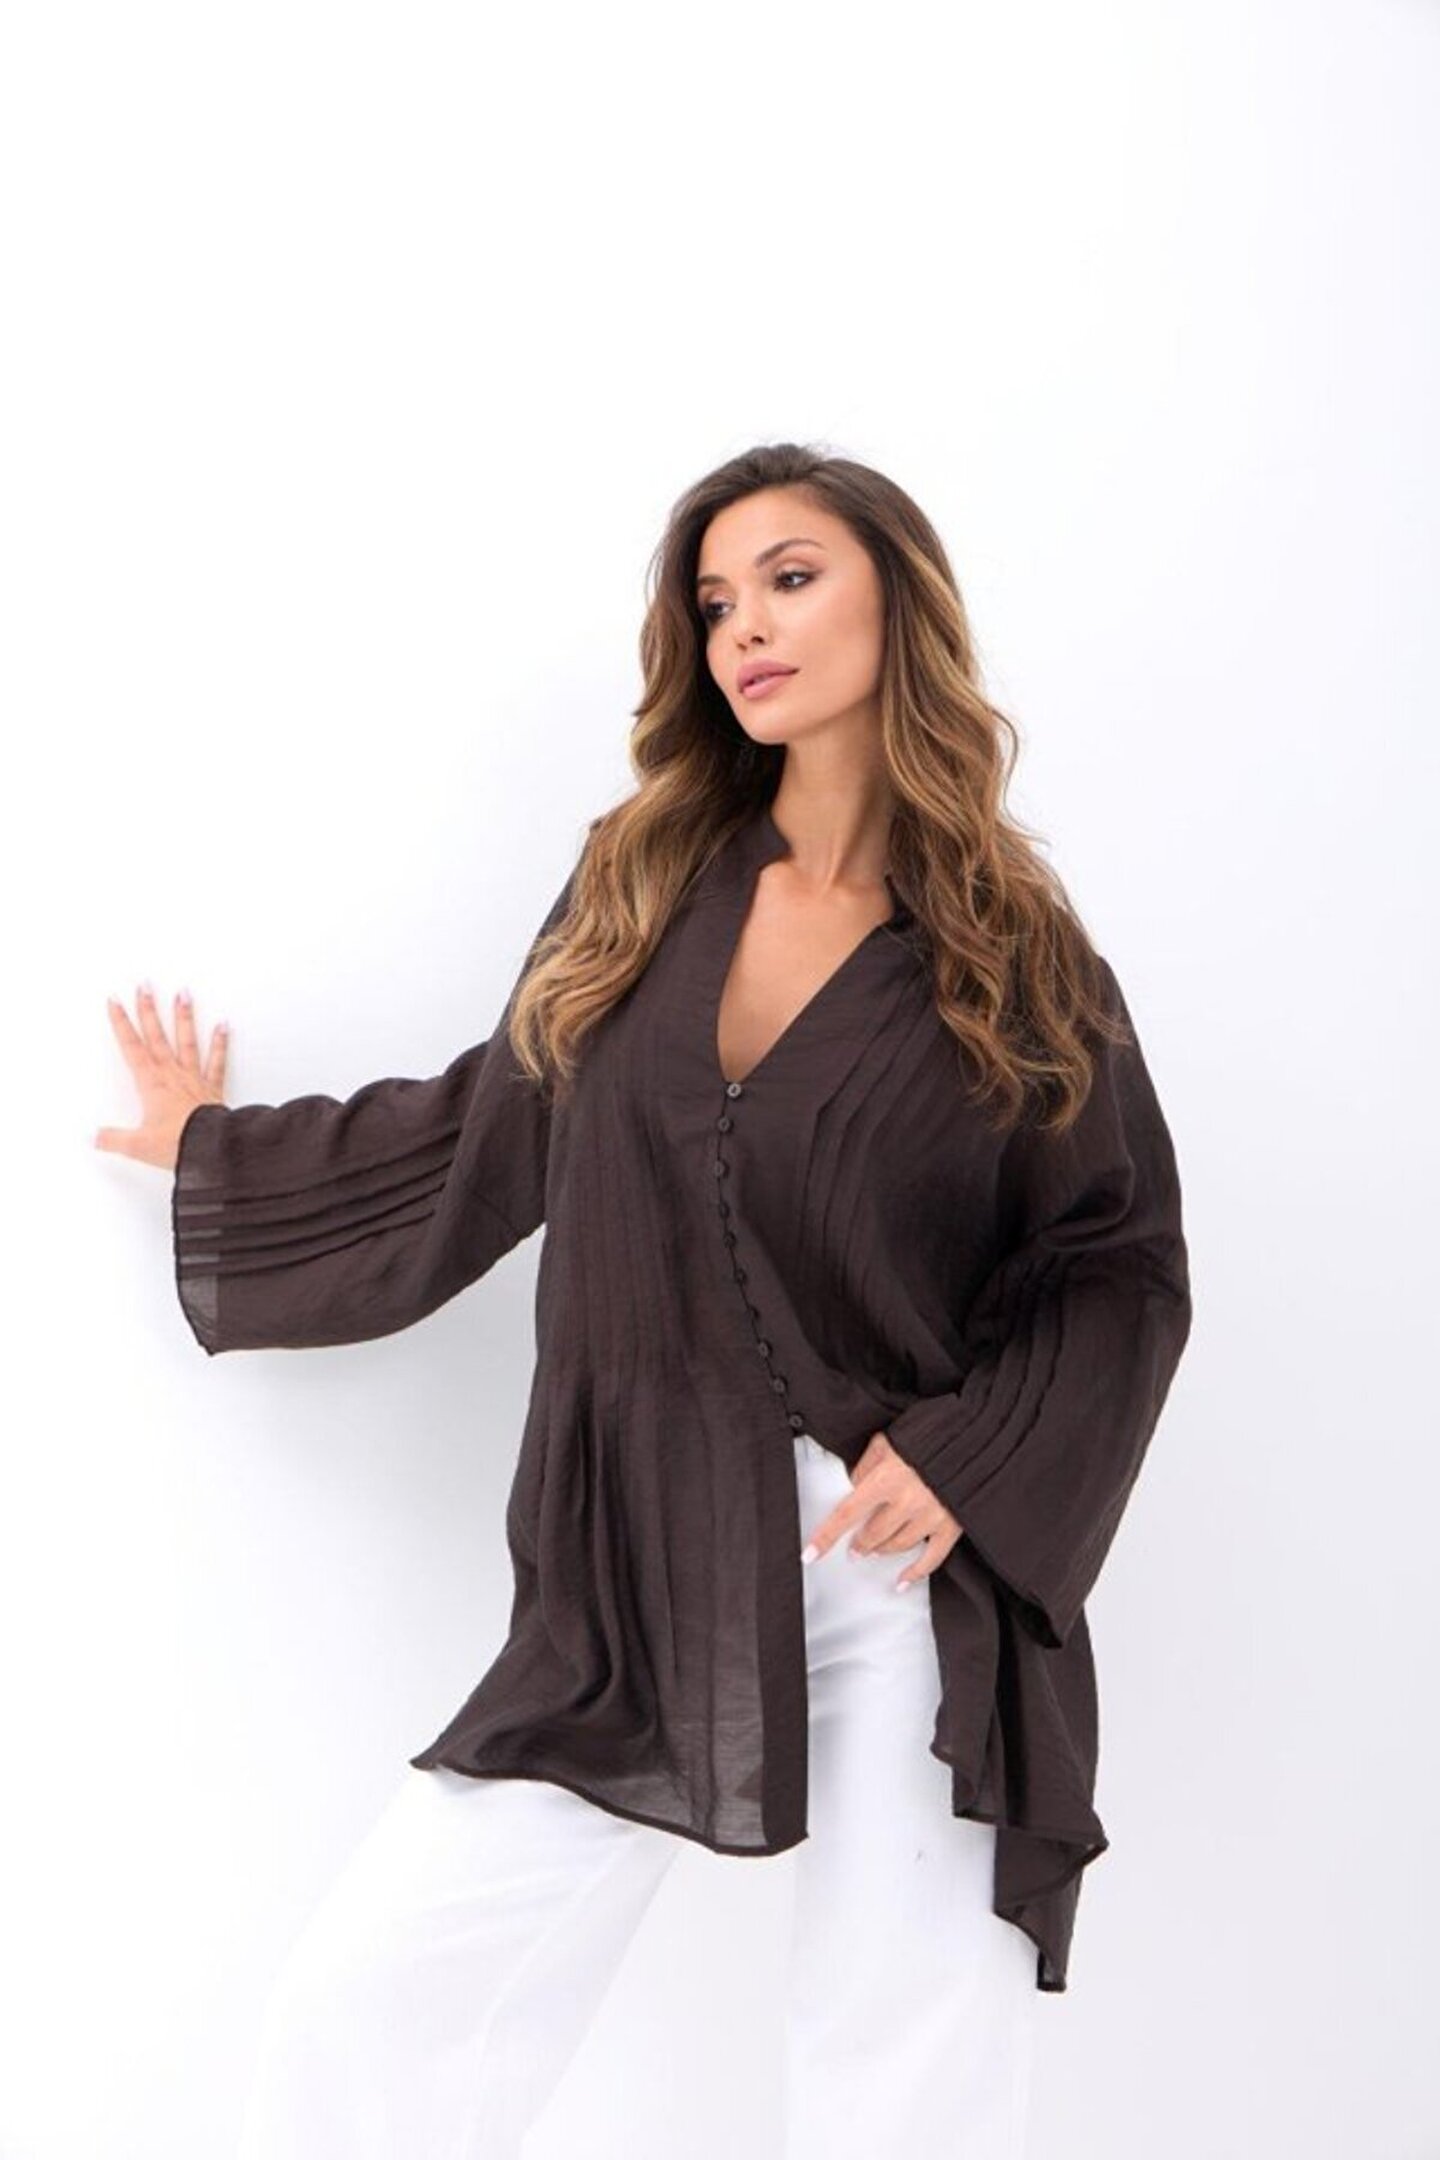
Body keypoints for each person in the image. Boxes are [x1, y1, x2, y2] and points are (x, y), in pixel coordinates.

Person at [96, 440, 1193, 2159]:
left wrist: (974, 1457)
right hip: (639, 1542)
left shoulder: (1019, 957)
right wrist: (217, 1156)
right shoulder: (644, 880)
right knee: (374, 2005)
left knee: (905, 2067)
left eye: (790, 579)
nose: (743, 625)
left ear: (897, 601)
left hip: (899, 1567)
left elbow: (1115, 1261)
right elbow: (492, 1129)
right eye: (714, 600)